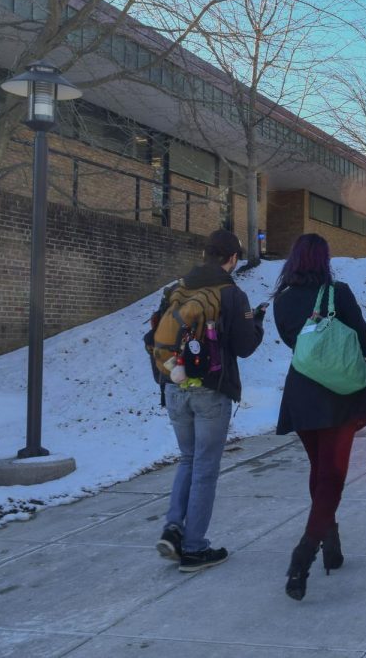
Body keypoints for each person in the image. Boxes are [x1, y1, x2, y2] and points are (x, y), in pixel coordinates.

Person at [273, 234, 366, 601]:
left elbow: (296, 345)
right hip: (339, 394)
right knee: (332, 477)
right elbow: (362, 339)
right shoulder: (340, 293)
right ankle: (304, 552)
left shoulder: (283, 301)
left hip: (302, 394)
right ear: (324, 259)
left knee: (320, 471)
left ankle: (330, 544)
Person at [157, 230, 265, 572]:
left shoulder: (177, 289)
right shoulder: (232, 294)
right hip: (212, 391)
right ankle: (193, 547)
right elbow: (245, 347)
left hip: (174, 385)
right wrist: (258, 324)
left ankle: (174, 527)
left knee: (188, 459)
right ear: (232, 259)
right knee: (205, 467)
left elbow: (156, 336)